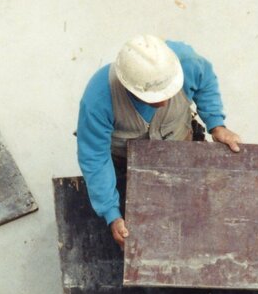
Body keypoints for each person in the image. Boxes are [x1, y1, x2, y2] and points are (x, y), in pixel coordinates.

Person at [76, 34, 242, 248]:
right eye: (154, 97)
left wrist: (217, 125)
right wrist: (112, 214)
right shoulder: (98, 98)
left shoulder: (187, 61)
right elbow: (95, 157)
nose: (163, 102)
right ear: (130, 87)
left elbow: (205, 81)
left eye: (168, 91)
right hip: (123, 159)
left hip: (179, 143)